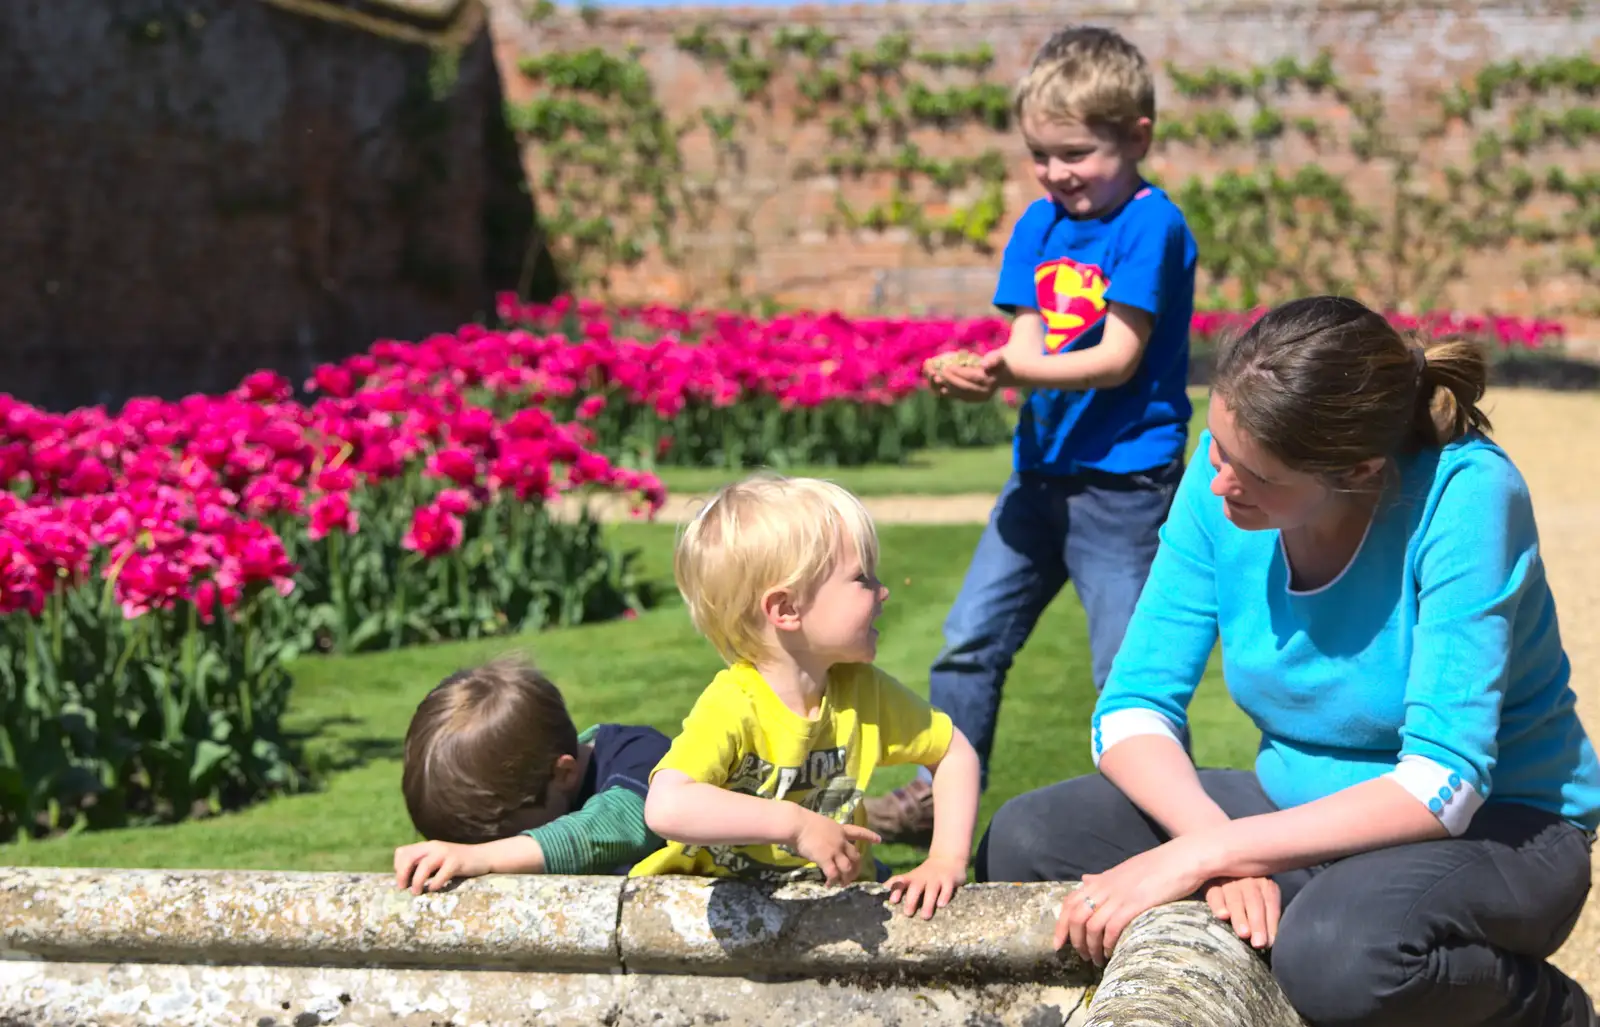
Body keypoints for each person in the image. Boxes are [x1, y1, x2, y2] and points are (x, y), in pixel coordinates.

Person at [978, 295, 1600, 1027]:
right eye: (1216, 449)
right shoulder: (1222, 485)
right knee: (1026, 836)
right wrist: (1212, 845)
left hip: (1502, 829)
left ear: (1360, 470)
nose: (1218, 482)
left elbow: (1444, 784)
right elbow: (1133, 706)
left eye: (1254, 473)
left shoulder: (1466, 496)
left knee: (1337, 955)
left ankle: (1549, 1011)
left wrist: (1203, 856)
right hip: (1293, 808)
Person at [867, 25, 1198, 842]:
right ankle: (935, 798)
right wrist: (986, 370)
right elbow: (1027, 344)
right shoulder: (1039, 225)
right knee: (968, 641)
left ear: (1138, 137)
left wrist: (1013, 372)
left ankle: (1155, 824)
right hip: (1039, 476)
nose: (1057, 173)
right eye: (1040, 155)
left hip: (1124, 486)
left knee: (1129, 675)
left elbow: (1117, 357)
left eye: (1076, 153)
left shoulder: (1151, 228)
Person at [634, 473, 982, 919]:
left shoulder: (861, 690)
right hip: (708, 915)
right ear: (786, 610)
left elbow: (954, 752)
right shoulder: (736, 704)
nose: (884, 591)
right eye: (862, 578)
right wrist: (793, 824)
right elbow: (667, 805)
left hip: (833, 906)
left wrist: (945, 860)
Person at [393, 656, 671, 892]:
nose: (506, 859)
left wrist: (485, 857)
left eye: (506, 837)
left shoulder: (642, 761)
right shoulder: (546, 779)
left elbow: (625, 823)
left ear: (564, 774)